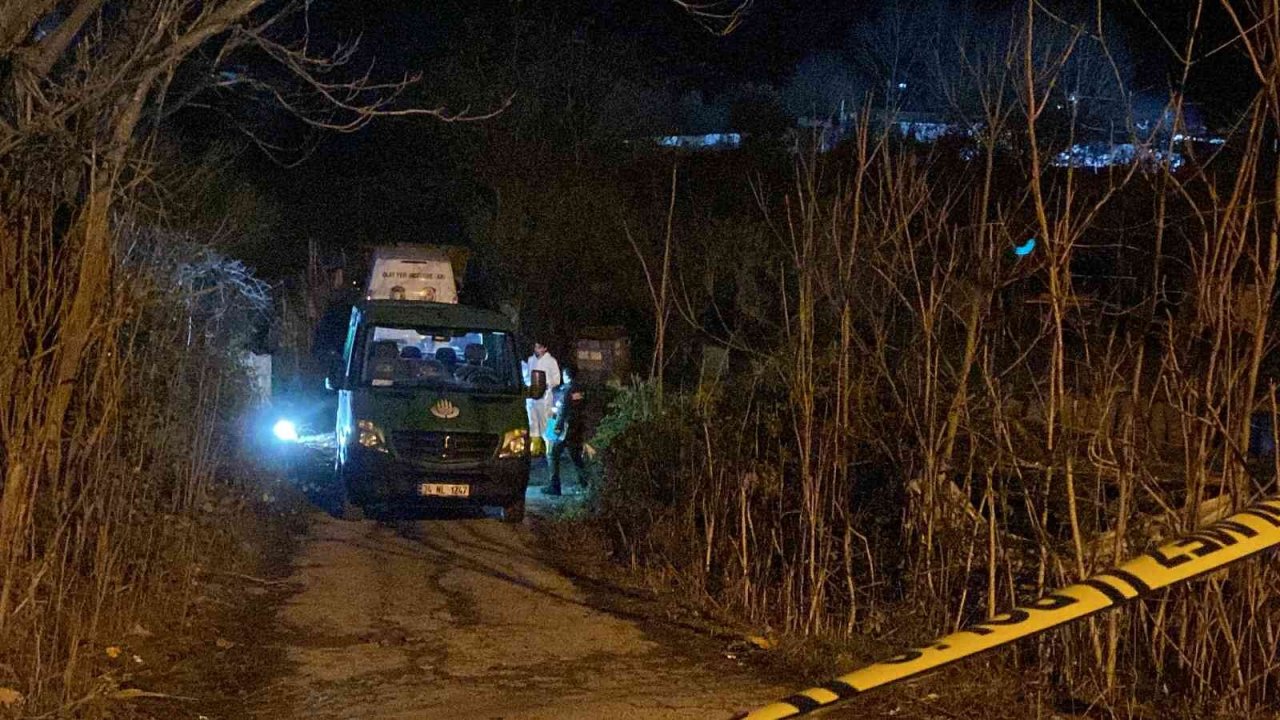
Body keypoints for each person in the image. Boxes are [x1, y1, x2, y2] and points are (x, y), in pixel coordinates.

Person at [525, 341, 560, 456]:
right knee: (533, 422)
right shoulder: (531, 360)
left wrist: (546, 384)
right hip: (532, 397)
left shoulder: (551, 361)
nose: (536, 349)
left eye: (539, 347)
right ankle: (535, 448)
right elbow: (527, 376)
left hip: (545, 398)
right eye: (535, 347)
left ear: (545, 348)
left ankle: (549, 448)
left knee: (546, 421)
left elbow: (556, 379)